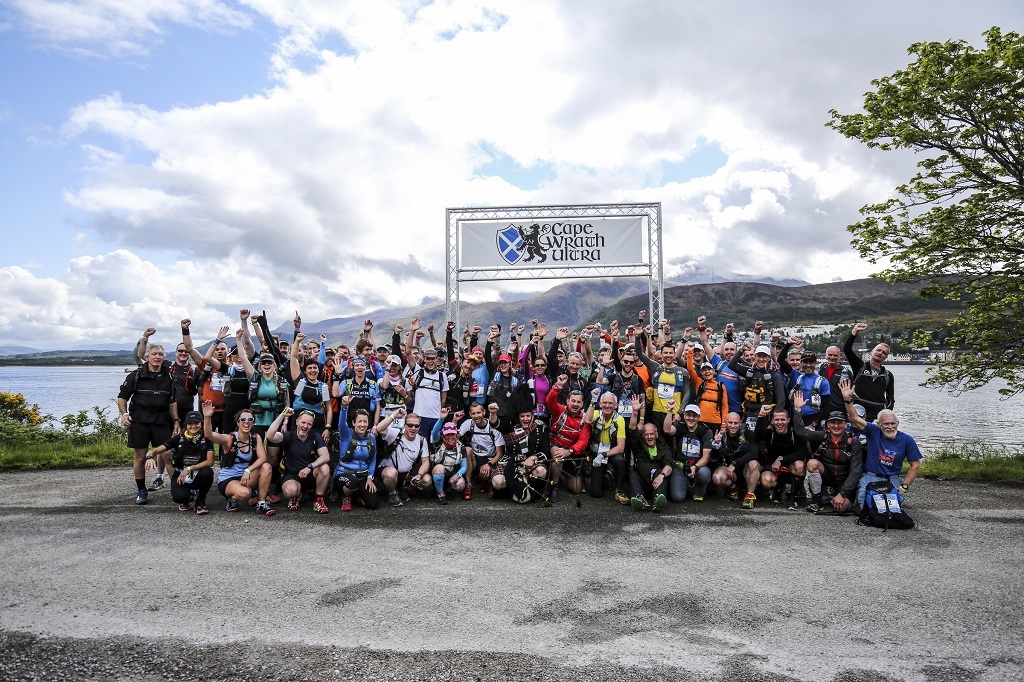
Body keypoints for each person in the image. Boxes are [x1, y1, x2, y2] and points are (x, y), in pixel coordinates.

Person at [839, 379, 921, 510]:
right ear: (879, 424)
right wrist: (848, 399)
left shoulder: (907, 440)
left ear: (898, 423)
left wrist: (904, 486)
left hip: (893, 479)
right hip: (870, 477)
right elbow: (854, 418)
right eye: (886, 424)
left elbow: (915, 465)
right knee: (863, 508)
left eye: (893, 423)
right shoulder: (873, 431)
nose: (890, 427)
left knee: (890, 511)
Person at [117, 343, 178, 505]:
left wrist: (176, 420)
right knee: (140, 456)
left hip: (161, 421)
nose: (158, 357)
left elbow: (172, 402)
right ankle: (142, 490)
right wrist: (124, 414)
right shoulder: (136, 375)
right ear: (147, 356)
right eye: (154, 354)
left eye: (161, 354)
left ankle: (176, 488)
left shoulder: (169, 377)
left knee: (166, 455)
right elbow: (122, 397)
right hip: (140, 421)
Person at [792, 396, 864, 514]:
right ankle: (817, 499)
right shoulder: (823, 436)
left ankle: (838, 495)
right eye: (833, 423)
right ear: (828, 425)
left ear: (846, 425)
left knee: (840, 508)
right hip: (828, 476)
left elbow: (856, 472)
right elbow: (801, 433)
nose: (836, 426)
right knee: (812, 463)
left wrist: (842, 493)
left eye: (839, 423)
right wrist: (798, 409)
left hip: (844, 480)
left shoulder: (854, 443)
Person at [203, 401, 275, 515]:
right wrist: (207, 417)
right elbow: (209, 435)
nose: (246, 422)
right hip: (229, 479)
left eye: (250, 420)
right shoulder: (229, 439)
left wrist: (248, 470)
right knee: (245, 493)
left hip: (246, 477)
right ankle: (233, 500)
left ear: (253, 423)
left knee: (266, 467)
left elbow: (263, 458)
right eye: (243, 420)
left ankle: (261, 502)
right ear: (238, 423)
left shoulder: (256, 438)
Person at [144, 410, 214, 515]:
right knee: (179, 497)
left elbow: (210, 462)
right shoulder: (179, 438)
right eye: (190, 423)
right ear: (186, 425)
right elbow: (155, 450)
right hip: (181, 475)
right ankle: (185, 499)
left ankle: (200, 501)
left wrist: (190, 468)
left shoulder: (207, 438)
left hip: (198, 473)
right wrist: (149, 457)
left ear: (201, 424)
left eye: (197, 423)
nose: (193, 426)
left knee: (208, 472)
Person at [333, 406, 401, 511]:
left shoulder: (371, 438)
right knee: (352, 482)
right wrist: (344, 406)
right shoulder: (346, 435)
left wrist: (370, 477)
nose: (362, 424)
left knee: (373, 504)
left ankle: (356, 497)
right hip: (344, 474)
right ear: (354, 423)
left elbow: (373, 459)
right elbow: (341, 423)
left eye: (365, 421)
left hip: (362, 476)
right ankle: (346, 497)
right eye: (359, 421)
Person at [265, 407, 331, 513]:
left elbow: (326, 456)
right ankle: (296, 495)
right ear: (297, 422)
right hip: (292, 475)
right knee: (290, 492)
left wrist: (309, 467)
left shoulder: (315, 436)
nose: (305, 426)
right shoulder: (289, 436)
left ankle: (318, 500)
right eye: (303, 422)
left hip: (309, 474)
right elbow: (269, 436)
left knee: (325, 467)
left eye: (309, 424)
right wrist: (283, 415)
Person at [545, 377, 592, 502]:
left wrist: (570, 451)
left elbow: (583, 442)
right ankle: (553, 487)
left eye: (578, 402)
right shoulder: (559, 410)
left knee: (577, 489)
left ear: (582, 404)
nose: (575, 404)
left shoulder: (585, 419)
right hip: (556, 445)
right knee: (558, 455)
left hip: (571, 452)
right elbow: (549, 401)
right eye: (573, 401)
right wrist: (558, 386)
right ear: (567, 401)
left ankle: (559, 474)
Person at [843, 322, 895, 421]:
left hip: (877, 413)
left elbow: (890, 399)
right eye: (878, 350)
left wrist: (887, 415)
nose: (880, 353)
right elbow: (847, 349)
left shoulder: (888, 375)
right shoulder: (859, 366)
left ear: (886, 357)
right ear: (872, 351)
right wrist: (854, 332)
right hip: (858, 410)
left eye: (884, 353)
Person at [380, 408, 432, 507]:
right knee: (391, 474)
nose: (413, 428)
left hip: (406, 474)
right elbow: (379, 428)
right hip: (388, 471)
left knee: (427, 479)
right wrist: (394, 416)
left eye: (416, 426)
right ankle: (392, 494)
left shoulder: (422, 440)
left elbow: (426, 462)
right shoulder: (395, 433)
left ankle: (406, 488)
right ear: (404, 425)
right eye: (410, 425)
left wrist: (419, 475)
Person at [662, 402, 713, 503]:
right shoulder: (680, 426)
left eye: (694, 416)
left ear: (699, 417)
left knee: (704, 473)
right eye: (688, 415)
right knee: (677, 497)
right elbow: (667, 429)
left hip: (698, 466)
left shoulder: (706, 431)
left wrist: (695, 467)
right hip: (680, 466)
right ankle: (687, 486)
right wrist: (670, 410)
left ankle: (699, 491)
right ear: (684, 416)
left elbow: (706, 457)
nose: (691, 418)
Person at [709, 412, 761, 508]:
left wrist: (735, 463)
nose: (733, 426)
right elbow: (714, 459)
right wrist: (716, 445)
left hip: (747, 469)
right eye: (730, 423)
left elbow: (754, 453)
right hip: (731, 473)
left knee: (753, 463)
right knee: (717, 477)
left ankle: (750, 495)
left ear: (741, 423)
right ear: (725, 422)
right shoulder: (722, 436)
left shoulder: (748, 433)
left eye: (736, 423)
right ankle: (734, 488)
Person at [584, 391, 627, 500]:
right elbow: (588, 420)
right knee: (596, 493)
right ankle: (607, 475)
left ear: (616, 405)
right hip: (596, 451)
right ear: (601, 404)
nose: (607, 406)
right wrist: (593, 401)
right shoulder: (597, 414)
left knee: (620, 460)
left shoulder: (619, 419)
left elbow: (621, 447)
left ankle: (619, 490)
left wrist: (604, 455)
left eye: (611, 403)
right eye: (605, 403)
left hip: (611, 452)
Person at [460, 402, 506, 499]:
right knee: (467, 450)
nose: (476, 416)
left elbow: (500, 453)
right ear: (470, 414)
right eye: (473, 413)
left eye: (478, 413)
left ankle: (484, 481)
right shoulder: (469, 423)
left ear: (484, 412)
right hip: (474, 459)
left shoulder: (493, 428)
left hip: (489, 459)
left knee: (487, 473)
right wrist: (454, 421)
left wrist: (489, 464)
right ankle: (468, 485)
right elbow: (454, 437)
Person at [626, 421, 673, 512]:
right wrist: (635, 412)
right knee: (632, 474)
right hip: (642, 483)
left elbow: (669, 464)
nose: (649, 437)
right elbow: (632, 430)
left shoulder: (664, 447)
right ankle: (640, 499)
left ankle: (658, 501)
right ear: (643, 436)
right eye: (647, 434)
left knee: (661, 472)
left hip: (657, 484)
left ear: (656, 435)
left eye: (652, 434)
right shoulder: (639, 445)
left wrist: (662, 475)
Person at [428, 416, 469, 505]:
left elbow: (464, 466)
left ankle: (448, 488)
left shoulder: (461, 447)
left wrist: (457, 476)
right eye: (447, 434)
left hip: (452, 472)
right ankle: (440, 494)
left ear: (456, 434)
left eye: (452, 434)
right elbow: (434, 432)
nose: (450, 437)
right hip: (438, 471)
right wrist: (441, 419)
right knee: (440, 468)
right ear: (443, 435)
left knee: (461, 485)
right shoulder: (438, 442)